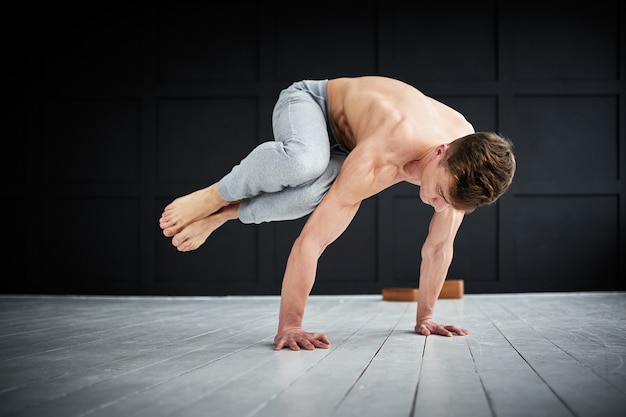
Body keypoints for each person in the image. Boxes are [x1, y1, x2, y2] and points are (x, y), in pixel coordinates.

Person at [159, 76, 516, 351]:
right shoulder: (386, 153)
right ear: (441, 151)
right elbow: (311, 241)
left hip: (353, 145)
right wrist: (290, 326)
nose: (439, 206)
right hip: (312, 103)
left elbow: (438, 248)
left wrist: (426, 317)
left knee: (317, 191)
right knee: (306, 163)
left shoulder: (463, 170)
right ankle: (213, 195)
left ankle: (226, 213)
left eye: (449, 203)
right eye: (439, 193)